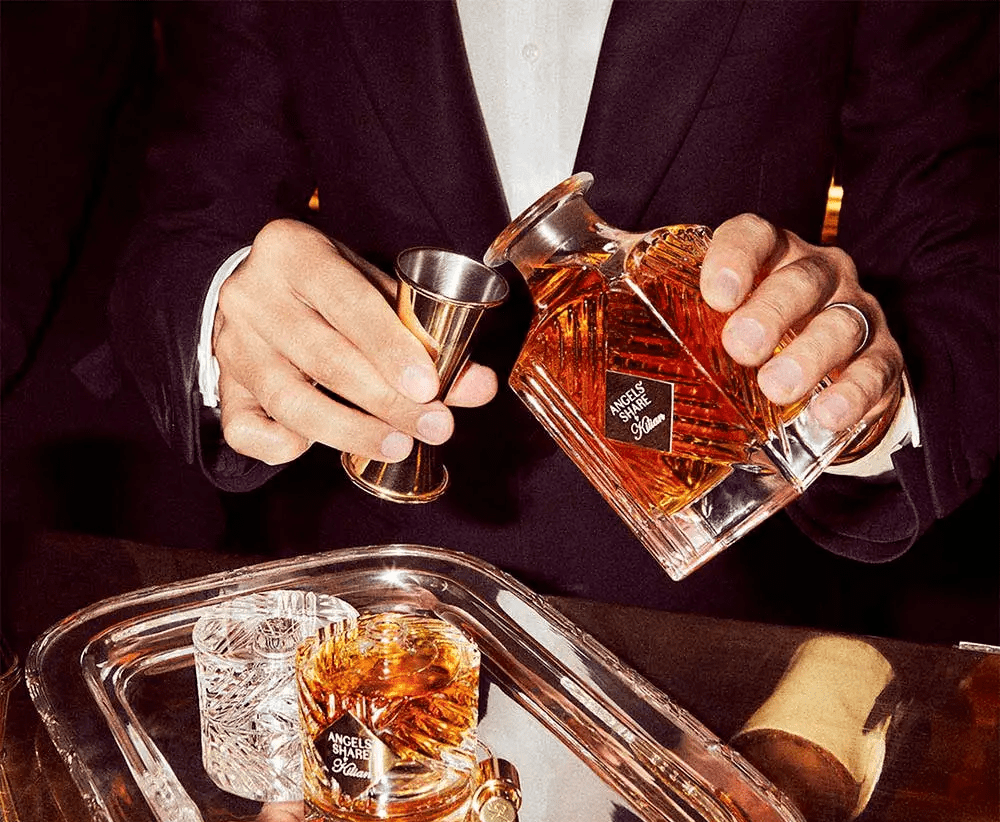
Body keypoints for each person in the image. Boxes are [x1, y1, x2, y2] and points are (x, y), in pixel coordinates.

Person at [110, 1, 998, 625]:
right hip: (365, 621)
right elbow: (180, 231)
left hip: (731, 643)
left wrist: (863, 398)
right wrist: (226, 311)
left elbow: (960, 259)